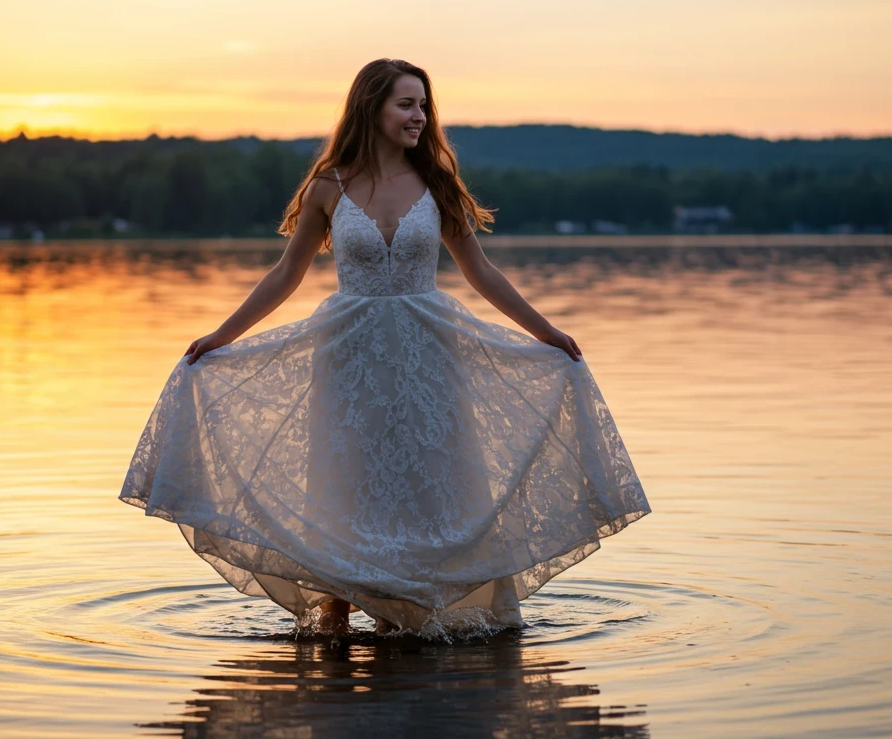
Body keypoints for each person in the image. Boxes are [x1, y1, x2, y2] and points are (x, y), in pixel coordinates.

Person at [120, 58, 651, 638]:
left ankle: (430, 613)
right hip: (349, 360)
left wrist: (546, 333)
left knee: (434, 483)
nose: (419, 116)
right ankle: (339, 617)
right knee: (349, 486)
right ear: (371, 108)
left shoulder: (437, 180)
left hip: (431, 357)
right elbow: (285, 273)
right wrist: (223, 336)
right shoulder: (330, 184)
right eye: (406, 104)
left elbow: (481, 270)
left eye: (424, 105)